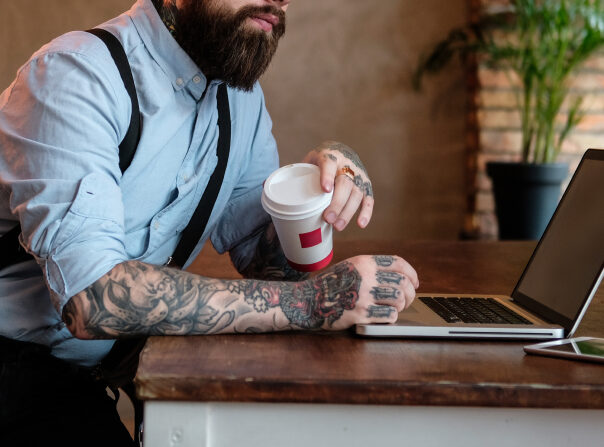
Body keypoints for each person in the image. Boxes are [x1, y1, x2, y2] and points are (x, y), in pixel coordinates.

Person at [0, 0, 419, 445]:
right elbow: (93, 297)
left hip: (96, 375)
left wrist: (310, 194)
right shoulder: (76, 75)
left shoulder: (241, 100)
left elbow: (268, 261)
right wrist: (312, 303)